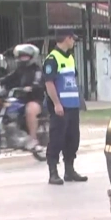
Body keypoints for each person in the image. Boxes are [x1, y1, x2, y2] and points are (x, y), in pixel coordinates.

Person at [43, 28, 87, 185]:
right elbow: (49, 83)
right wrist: (56, 104)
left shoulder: (70, 58)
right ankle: (53, 172)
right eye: (72, 38)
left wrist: (79, 102)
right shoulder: (52, 59)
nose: (74, 41)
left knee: (73, 138)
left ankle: (69, 170)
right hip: (60, 108)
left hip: (72, 106)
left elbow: (73, 81)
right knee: (56, 139)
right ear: (66, 38)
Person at [0, 43, 45, 153]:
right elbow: (10, 77)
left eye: (26, 56)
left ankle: (33, 140)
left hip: (34, 99)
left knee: (30, 110)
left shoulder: (37, 70)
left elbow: (38, 81)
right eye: (21, 56)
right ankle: (9, 133)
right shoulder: (19, 70)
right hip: (21, 98)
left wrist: (32, 87)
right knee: (6, 106)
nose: (23, 58)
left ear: (32, 57)